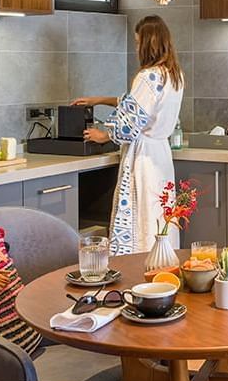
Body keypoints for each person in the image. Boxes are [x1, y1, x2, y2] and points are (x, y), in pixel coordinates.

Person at [73, 15, 184, 256]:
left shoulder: (148, 76)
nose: (136, 48)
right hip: (161, 156)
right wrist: (99, 99)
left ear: (147, 43)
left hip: (144, 160)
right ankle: (163, 266)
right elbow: (138, 104)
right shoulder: (172, 75)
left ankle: (137, 269)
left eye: (137, 42)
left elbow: (129, 124)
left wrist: (102, 135)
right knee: (160, 217)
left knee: (142, 217)